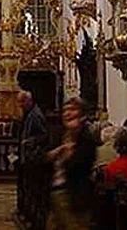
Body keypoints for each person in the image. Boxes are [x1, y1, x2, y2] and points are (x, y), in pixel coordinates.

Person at [47, 98, 98, 229]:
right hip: (57, 191)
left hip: (74, 194)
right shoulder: (60, 134)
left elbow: (80, 165)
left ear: (82, 115)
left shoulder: (86, 137)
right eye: (65, 110)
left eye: (73, 110)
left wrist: (68, 154)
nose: (68, 113)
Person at [17, 89, 47, 165]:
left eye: (23, 101)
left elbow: (43, 135)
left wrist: (30, 141)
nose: (20, 105)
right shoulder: (28, 114)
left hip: (33, 157)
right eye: (19, 101)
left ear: (29, 101)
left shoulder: (35, 115)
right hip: (27, 155)